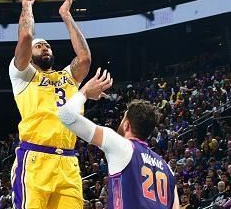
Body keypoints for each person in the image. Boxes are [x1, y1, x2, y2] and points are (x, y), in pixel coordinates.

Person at [9, 0, 91, 209]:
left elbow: (84, 59)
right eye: (40, 46)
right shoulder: (23, 75)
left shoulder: (67, 77)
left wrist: (66, 15)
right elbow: (25, 38)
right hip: (35, 158)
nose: (45, 47)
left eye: (48, 46)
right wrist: (26, 4)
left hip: (68, 162)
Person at [57, 68, 180, 209]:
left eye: (122, 119)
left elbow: (65, 115)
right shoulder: (167, 169)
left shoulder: (122, 146)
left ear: (127, 125)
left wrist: (85, 92)